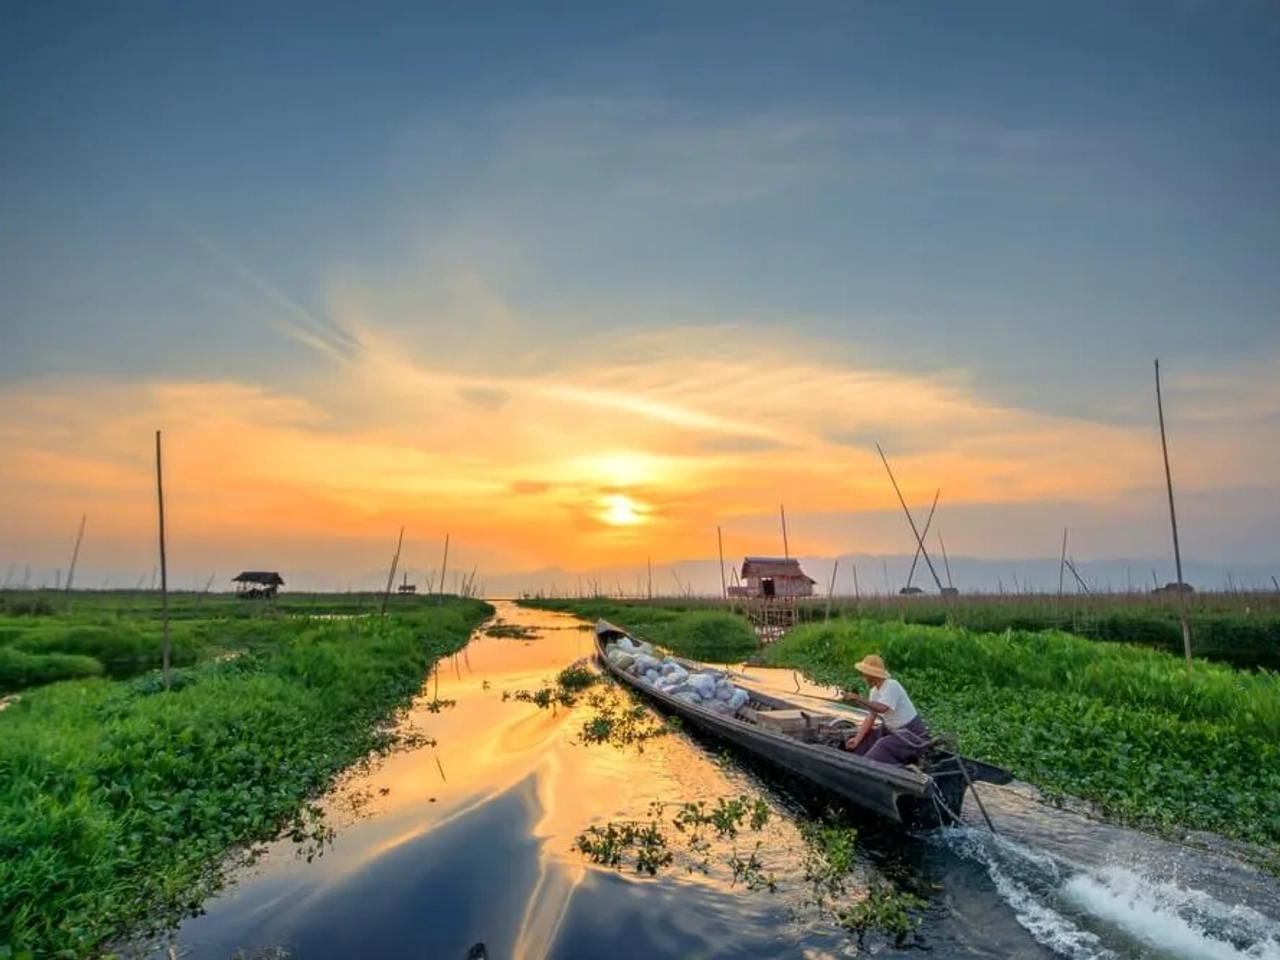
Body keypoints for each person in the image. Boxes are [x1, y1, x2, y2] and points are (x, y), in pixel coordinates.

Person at [841, 654, 929, 765]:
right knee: (868, 737)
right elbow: (871, 716)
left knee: (883, 744)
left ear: (872, 674)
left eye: (865, 673)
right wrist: (857, 739)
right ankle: (854, 759)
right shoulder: (874, 691)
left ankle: (865, 765)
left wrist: (858, 698)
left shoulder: (892, 686)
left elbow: (882, 708)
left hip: (911, 734)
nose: (863, 676)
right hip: (893, 730)